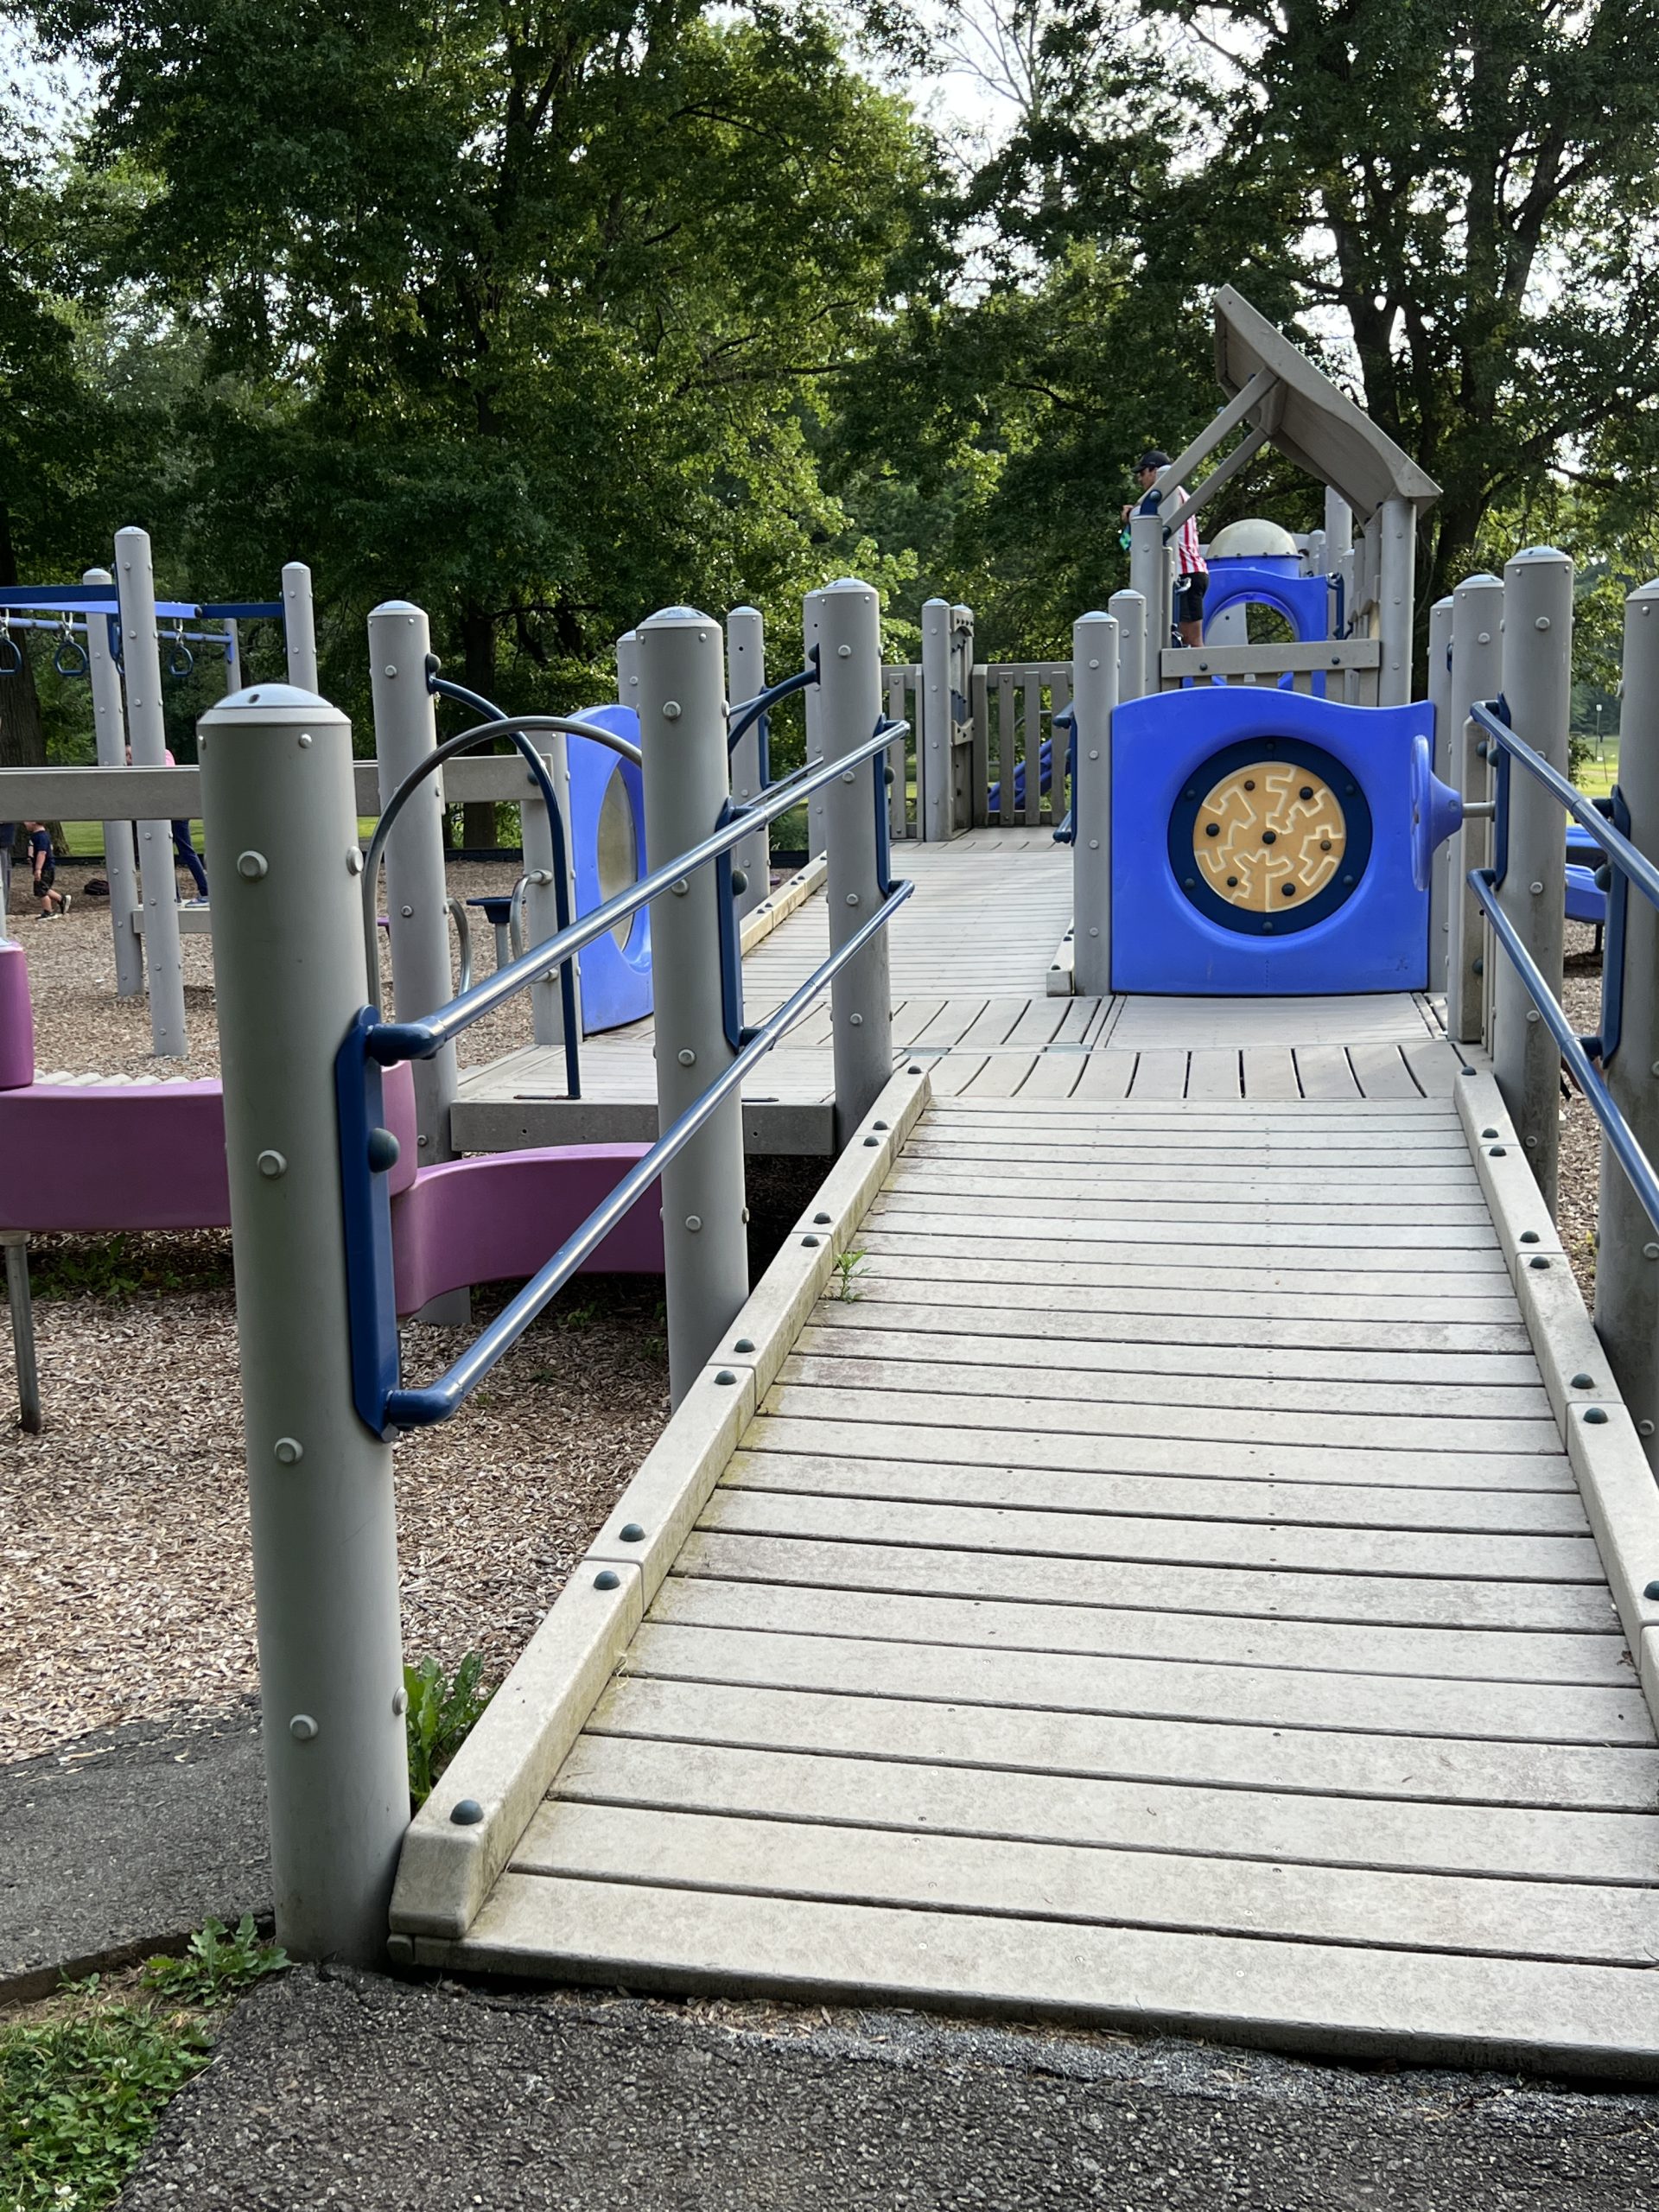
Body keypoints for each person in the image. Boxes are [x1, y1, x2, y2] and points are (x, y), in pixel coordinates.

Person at [1122, 448, 1209, 646]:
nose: (1139, 479)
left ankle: (1203, 676)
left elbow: (1136, 533)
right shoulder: (1172, 494)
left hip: (1186, 573)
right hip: (1183, 574)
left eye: (1142, 473)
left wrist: (1131, 516)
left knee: (1192, 641)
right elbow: (1133, 542)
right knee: (1175, 641)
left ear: (1155, 471)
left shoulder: (1167, 494)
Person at [126, 744, 209, 899]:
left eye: (129, 755)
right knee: (176, 851)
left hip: (173, 809)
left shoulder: (160, 755)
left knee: (183, 850)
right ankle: (181, 893)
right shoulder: (161, 755)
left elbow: (166, 774)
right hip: (174, 808)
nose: (128, 759)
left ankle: (202, 890)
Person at [26, 823, 70, 918]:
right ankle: (61, 899)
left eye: (26, 821)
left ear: (34, 822)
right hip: (43, 867)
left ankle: (48, 912)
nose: (24, 823)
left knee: (41, 890)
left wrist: (38, 869)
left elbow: (42, 853)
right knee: (42, 888)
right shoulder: (36, 835)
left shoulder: (41, 836)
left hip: (45, 868)